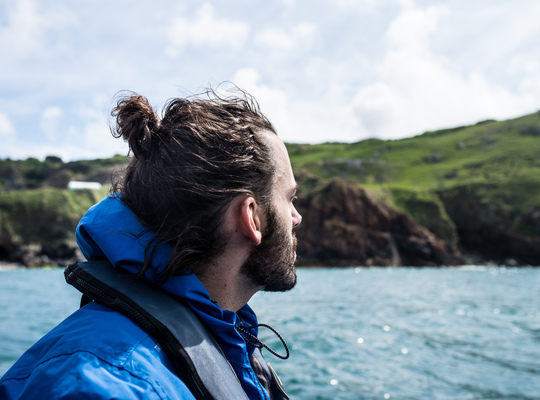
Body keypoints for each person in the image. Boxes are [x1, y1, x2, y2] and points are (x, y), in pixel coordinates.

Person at [0, 87, 302, 399]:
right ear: (250, 216)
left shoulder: (227, 334)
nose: (296, 217)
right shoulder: (108, 384)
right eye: (289, 198)